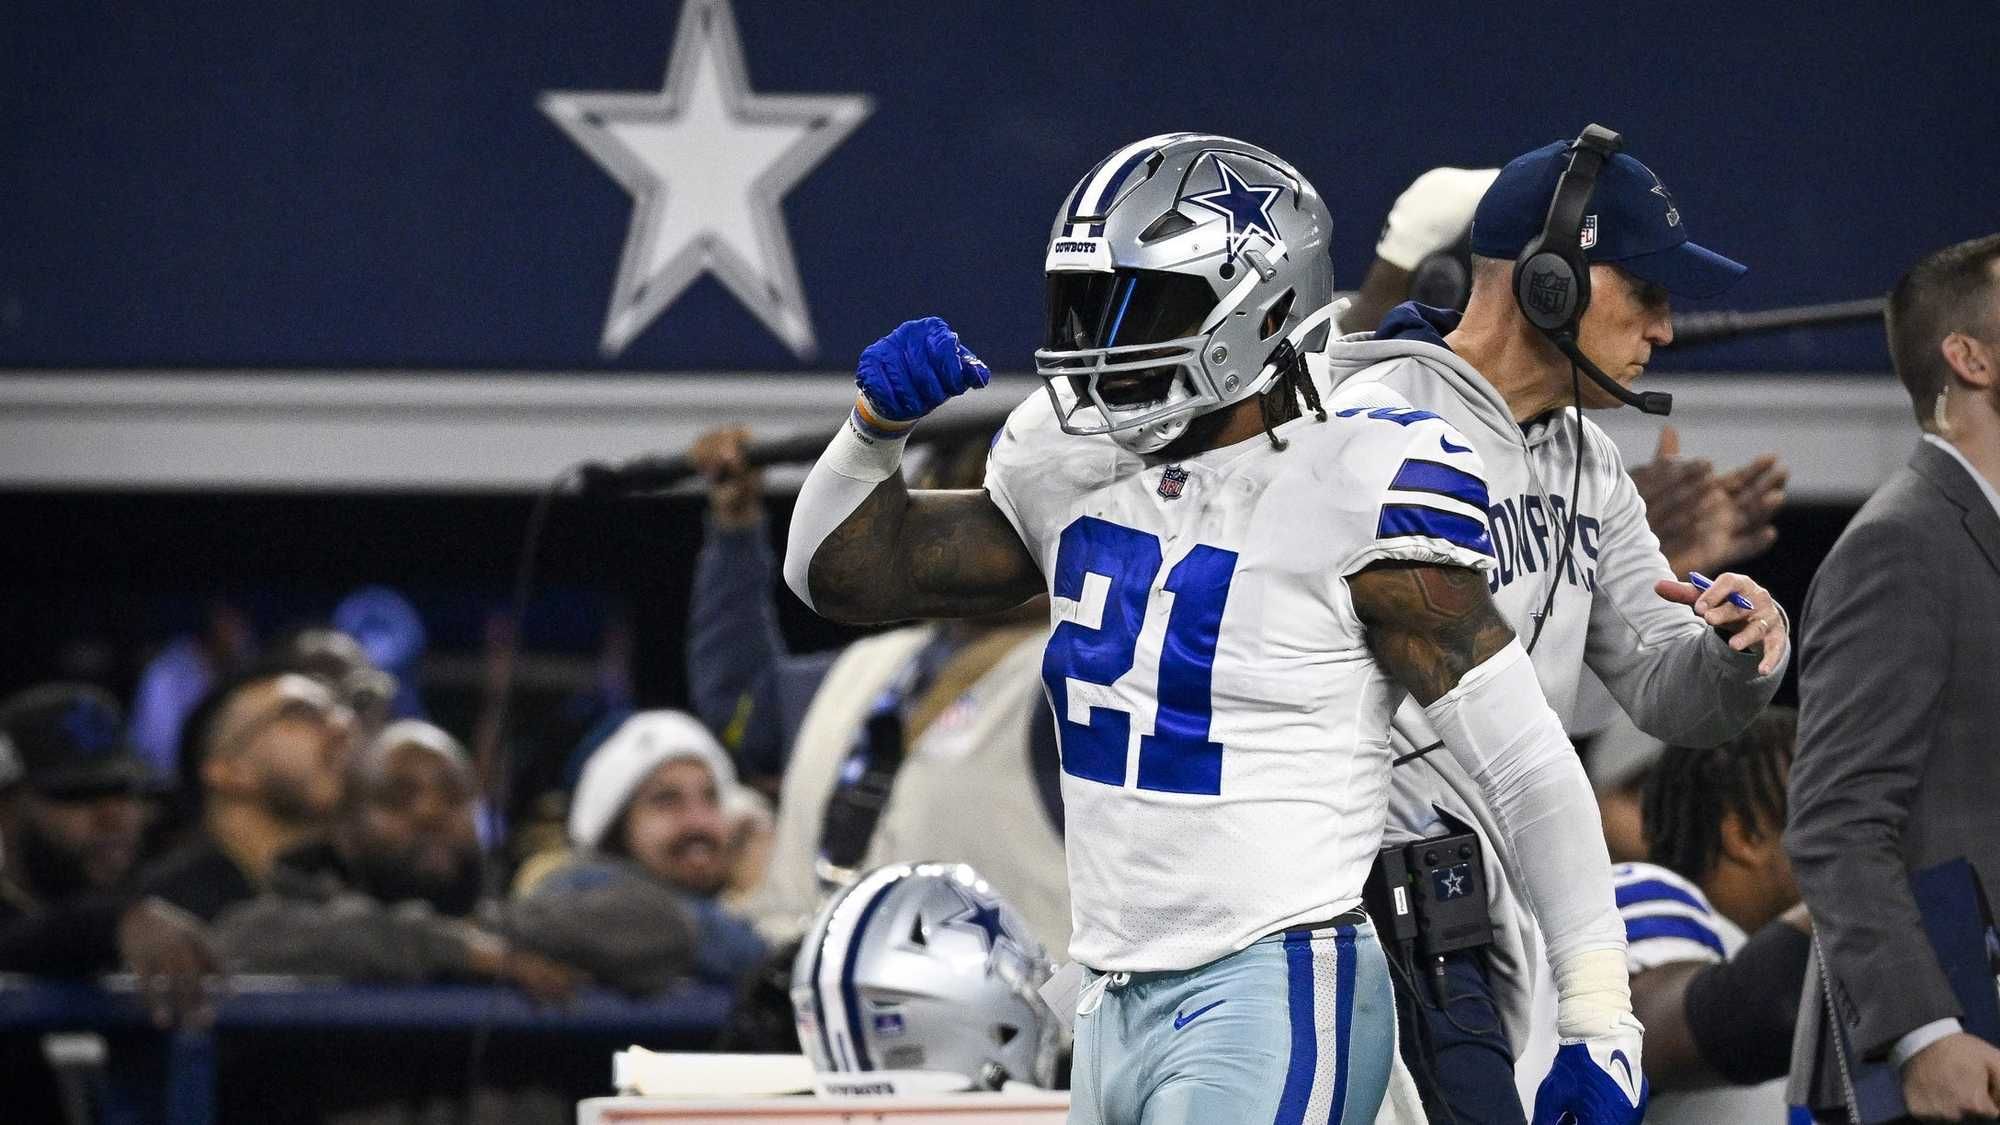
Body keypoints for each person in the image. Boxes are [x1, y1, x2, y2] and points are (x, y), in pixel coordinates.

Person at [783, 132, 1644, 1124]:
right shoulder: (1069, 462)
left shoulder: (1358, 477)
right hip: (1111, 990)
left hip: (1273, 979)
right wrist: (870, 436)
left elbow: (1528, 764)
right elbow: (842, 576)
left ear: (1263, 310)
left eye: (1139, 305)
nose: (1101, 340)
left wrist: (1596, 1016)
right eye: (1085, 303)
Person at [1318, 129, 1789, 1123]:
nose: (1665, 327)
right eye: (1646, 292)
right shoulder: (1368, 424)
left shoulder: (1588, 461)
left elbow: (1669, 691)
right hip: (1367, 904)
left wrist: (1737, 653)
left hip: (1510, 905)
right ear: (1548, 285)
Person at [688, 424, 1070, 955]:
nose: (978, 540)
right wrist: (736, 530)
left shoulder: (1095, 674)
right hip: (810, 990)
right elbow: (740, 710)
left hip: (1015, 999)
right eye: (961, 509)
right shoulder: (865, 666)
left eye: (1015, 515)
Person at [1786, 232, 2000, 1123]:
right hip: (1947, 1066)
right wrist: (1924, 1032)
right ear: (1971, 358)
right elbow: (1835, 817)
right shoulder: (1902, 542)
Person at [211, 720, 580, 998]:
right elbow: (243, 939)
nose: (431, 813)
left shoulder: (510, 925)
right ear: (343, 830)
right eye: (398, 799)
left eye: (454, 797)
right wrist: (461, 952)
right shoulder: (280, 924)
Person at [1616, 707, 1811, 1123]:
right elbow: (1669, 1034)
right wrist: (1868, 894)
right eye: (1829, 814)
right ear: (1745, 835)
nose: (1849, 836)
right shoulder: (1650, 891)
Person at [521, 710, 767, 991]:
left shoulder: (730, 914)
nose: (698, 821)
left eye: (711, 798)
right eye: (667, 800)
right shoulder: (581, 894)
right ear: (615, 828)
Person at [137, 669, 353, 922]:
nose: (343, 727)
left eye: (339, 712)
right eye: (302, 713)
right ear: (229, 770)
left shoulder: (346, 888)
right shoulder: (167, 914)